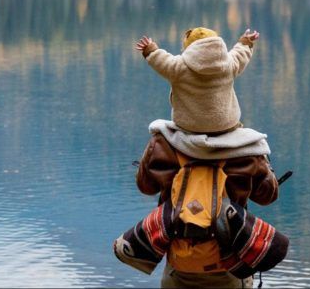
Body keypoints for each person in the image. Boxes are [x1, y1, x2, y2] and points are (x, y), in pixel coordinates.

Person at [113, 27, 289, 288]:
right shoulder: (246, 150)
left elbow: (145, 186)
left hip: (179, 264)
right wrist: (245, 42)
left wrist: (151, 49)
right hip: (231, 265)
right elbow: (267, 196)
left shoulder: (163, 144)